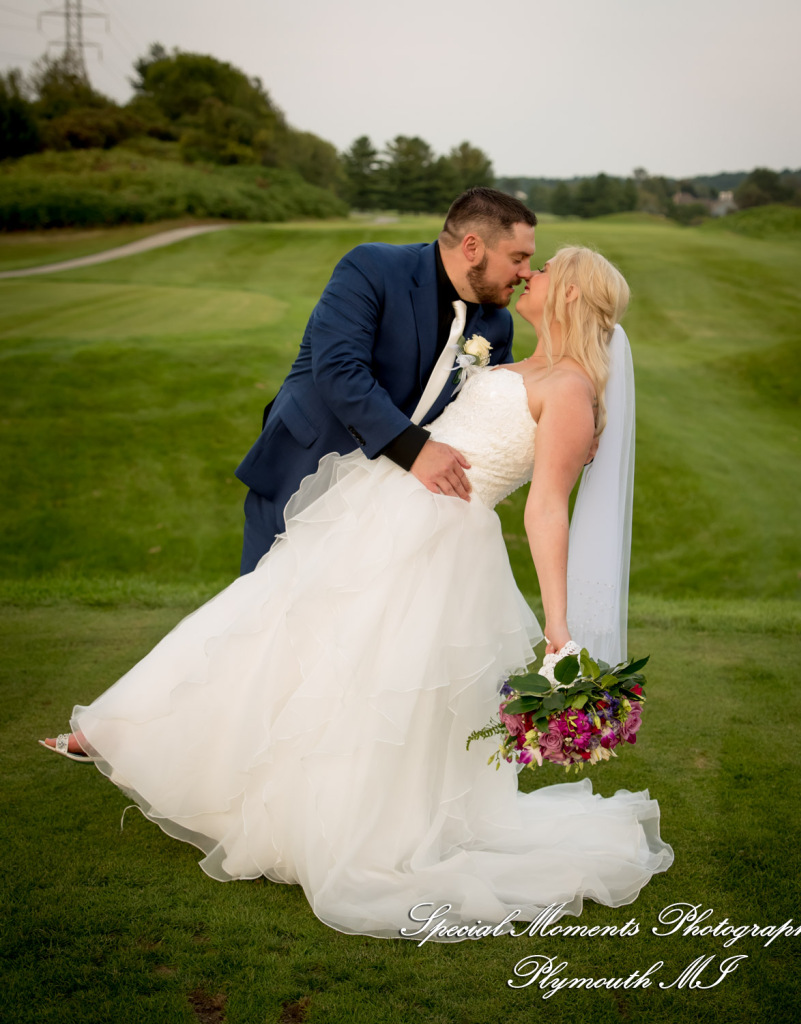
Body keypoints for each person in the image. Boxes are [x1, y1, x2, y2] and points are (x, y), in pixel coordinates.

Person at [40, 246, 673, 939]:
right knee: (271, 622)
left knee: (373, 680)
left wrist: (559, 630)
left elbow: (547, 509)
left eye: (546, 266)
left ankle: (343, 826)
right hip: (380, 509)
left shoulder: (574, 389)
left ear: (573, 295)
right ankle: (129, 736)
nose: (531, 273)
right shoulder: (519, 362)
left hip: (440, 544)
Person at [236, 187, 537, 573]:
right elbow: (339, 368)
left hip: (389, 504)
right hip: (304, 469)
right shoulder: (372, 268)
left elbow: (499, 401)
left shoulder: (497, 323)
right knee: (266, 613)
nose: (526, 272)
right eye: (518, 257)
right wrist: (414, 449)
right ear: (473, 247)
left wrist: (573, 415)